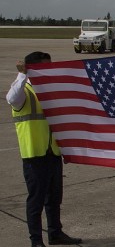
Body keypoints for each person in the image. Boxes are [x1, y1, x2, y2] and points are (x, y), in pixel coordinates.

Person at [7, 52, 83, 247]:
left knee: (54, 198)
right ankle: (36, 240)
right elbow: (11, 98)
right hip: (34, 155)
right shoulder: (25, 92)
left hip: (53, 153)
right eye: (45, 67)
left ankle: (55, 233)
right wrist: (22, 75)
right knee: (36, 201)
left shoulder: (51, 91)